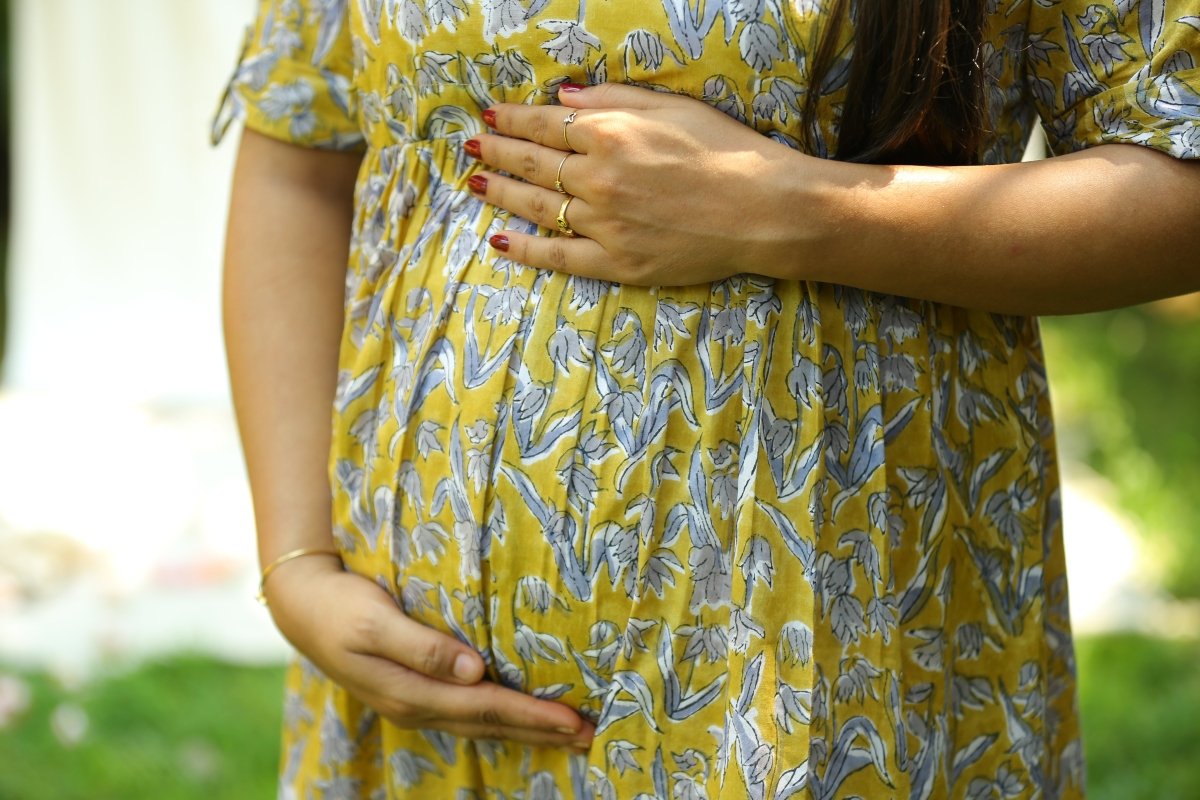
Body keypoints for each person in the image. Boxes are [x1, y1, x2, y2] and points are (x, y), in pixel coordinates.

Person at [215, 1, 1199, 797]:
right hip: (418, 702)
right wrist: (297, 559)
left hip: (820, 667)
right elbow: (299, 146)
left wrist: (787, 211)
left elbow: (1178, 180)